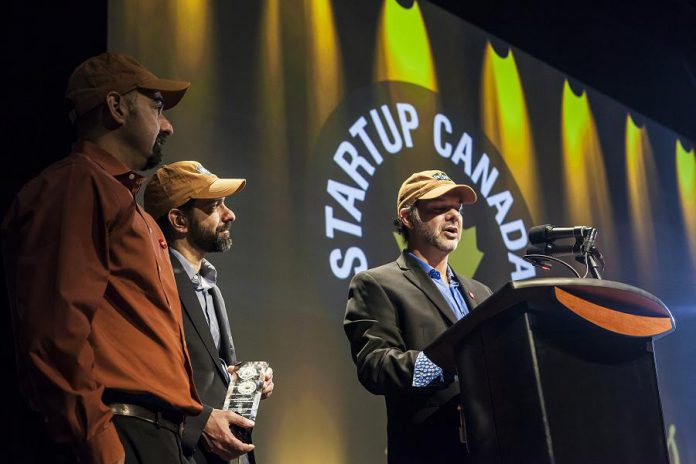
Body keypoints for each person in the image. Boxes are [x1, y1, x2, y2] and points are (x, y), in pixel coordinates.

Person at [2, 53, 203, 464]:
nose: (168, 124)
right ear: (115, 107)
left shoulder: (129, 207)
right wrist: (99, 441)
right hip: (121, 433)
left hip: (156, 437)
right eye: (157, 106)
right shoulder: (76, 186)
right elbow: (55, 329)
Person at [344, 169, 493, 464]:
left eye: (457, 209)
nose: (453, 216)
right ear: (408, 217)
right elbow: (376, 367)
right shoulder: (377, 284)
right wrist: (444, 360)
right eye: (439, 208)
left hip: (493, 448)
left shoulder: (481, 291)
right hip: (430, 450)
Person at [144, 161, 274, 464]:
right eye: (215, 206)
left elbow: (197, 367)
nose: (230, 215)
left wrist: (236, 380)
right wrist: (198, 421)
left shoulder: (208, 284)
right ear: (178, 220)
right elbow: (143, 370)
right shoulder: (155, 282)